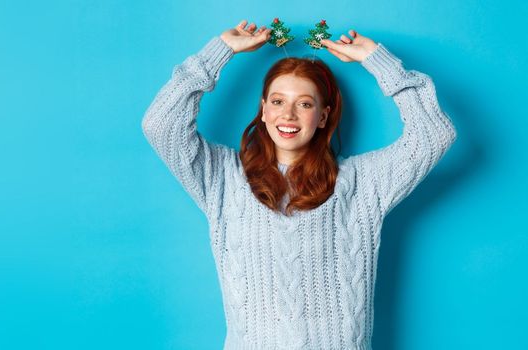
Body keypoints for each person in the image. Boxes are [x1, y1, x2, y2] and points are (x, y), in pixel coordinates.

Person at [140, 19, 456, 349]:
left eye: (304, 104)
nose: (288, 115)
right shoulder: (223, 177)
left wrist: (377, 59)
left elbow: (433, 135)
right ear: (263, 111)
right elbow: (161, 125)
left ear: (322, 117)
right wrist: (219, 50)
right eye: (277, 101)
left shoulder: (362, 183)